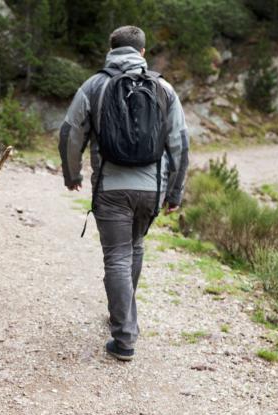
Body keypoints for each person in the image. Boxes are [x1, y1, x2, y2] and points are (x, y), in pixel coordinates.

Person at [59, 25, 190, 362]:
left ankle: (124, 336)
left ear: (110, 49)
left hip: (111, 189)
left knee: (117, 256)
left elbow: (71, 133)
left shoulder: (95, 85)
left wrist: (71, 174)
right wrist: (174, 191)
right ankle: (123, 314)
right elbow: (179, 142)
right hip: (150, 191)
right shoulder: (163, 88)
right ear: (143, 52)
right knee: (134, 248)